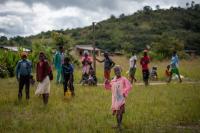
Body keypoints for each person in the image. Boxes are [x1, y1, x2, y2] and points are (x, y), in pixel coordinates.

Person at [104, 65, 132, 130]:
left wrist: (124, 92)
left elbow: (129, 86)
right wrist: (106, 83)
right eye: (115, 70)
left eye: (118, 70)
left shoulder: (124, 79)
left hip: (121, 99)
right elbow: (109, 87)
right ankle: (119, 124)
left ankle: (119, 125)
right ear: (114, 72)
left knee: (120, 112)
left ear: (121, 70)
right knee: (118, 113)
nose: (117, 71)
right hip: (115, 100)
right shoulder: (113, 80)